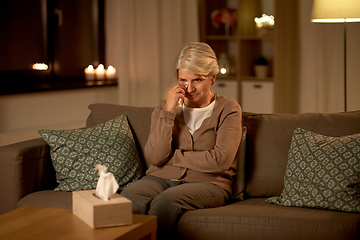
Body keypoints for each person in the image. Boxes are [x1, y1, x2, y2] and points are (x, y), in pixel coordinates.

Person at [121, 42, 242, 239]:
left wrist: (172, 157)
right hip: (159, 178)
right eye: (183, 80)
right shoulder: (164, 107)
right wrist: (168, 113)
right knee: (129, 199)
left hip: (209, 183)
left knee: (165, 203)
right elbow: (155, 157)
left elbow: (220, 160)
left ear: (213, 77)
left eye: (198, 79)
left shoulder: (228, 108)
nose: (190, 88)